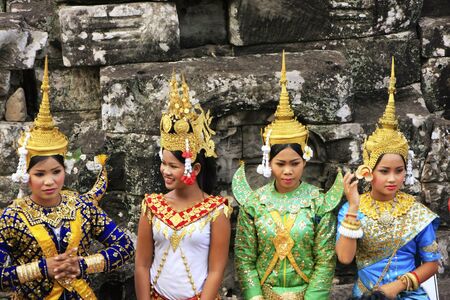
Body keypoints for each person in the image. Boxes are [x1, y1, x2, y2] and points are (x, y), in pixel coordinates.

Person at [0, 57, 135, 299]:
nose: (49, 181)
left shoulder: (82, 206)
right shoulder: (12, 217)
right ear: (26, 175)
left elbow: (125, 248)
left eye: (56, 172)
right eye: (39, 174)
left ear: (65, 171)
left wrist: (82, 265)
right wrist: (41, 269)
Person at [232, 52, 343, 299]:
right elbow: (244, 258)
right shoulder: (254, 203)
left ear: (305, 161)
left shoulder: (318, 202)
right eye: (280, 164)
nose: (288, 171)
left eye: (295, 163)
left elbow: (325, 261)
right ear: (268, 163)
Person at [335, 58, 440, 299]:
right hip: (366, 294)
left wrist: (397, 286)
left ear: (406, 171)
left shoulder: (415, 212)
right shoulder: (353, 210)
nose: (393, 178)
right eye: (384, 171)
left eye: (399, 171)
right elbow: (344, 258)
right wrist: (352, 206)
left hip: (409, 294)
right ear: (368, 171)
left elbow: (432, 264)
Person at [134, 73, 232, 300]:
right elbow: (141, 264)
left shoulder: (216, 211)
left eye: (173, 166)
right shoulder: (152, 206)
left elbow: (216, 271)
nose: (165, 171)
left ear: (194, 169)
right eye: (163, 164)